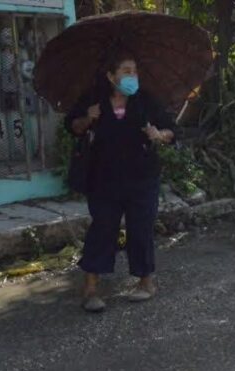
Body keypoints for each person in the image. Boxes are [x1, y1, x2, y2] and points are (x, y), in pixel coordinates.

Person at [65, 52, 176, 313]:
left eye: (134, 71)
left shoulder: (145, 101)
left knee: (141, 228)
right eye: (126, 71)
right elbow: (72, 126)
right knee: (103, 228)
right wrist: (88, 118)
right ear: (111, 76)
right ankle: (91, 289)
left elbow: (171, 130)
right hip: (104, 179)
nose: (132, 77)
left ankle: (145, 282)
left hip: (142, 177)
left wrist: (158, 134)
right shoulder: (94, 100)